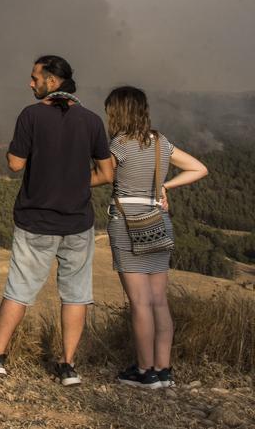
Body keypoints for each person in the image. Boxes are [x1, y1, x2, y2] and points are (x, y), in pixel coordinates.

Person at [0, 55, 114, 386]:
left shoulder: (31, 116)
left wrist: (14, 155)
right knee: (76, 293)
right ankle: (68, 365)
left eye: (35, 78)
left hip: (36, 222)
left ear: (52, 81)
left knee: (19, 289)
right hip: (79, 223)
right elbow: (107, 173)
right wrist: (74, 182)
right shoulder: (92, 120)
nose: (30, 83)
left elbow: (15, 164)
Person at [104, 85, 207, 389]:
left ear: (118, 111)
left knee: (139, 302)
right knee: (158, 300)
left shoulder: (119, 144)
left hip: (126, 221)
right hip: (157, 218)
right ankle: (163, 371)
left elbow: (102, 175)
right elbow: (199, 168)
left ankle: (144, 370)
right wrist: (165, 187)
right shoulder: (161, 142)